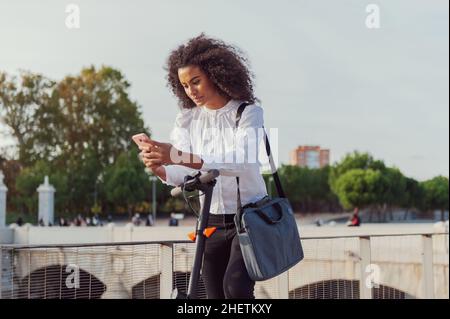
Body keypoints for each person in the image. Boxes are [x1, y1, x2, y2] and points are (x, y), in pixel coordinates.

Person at [138, 34, 268, 299]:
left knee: (236, 290)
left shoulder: (248, 113)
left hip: (249, 219)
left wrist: (177, 155)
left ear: (216, 75)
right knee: (213, 296)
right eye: (185, 85)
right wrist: (161, 168)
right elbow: (184, 172)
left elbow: (241, 161)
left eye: (196, 82)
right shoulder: (187, 119)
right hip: (210, 221)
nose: (191, 91)